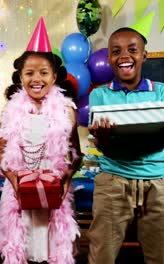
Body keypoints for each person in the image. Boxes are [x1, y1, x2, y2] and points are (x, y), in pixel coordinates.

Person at [0, 17, 82, 264]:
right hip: (19, 191)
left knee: (53, 248)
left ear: (54, 77)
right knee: (20, 249)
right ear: (20, 77)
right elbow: (1, 156)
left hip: (54, 191)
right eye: (29, 73)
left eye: (43, 73)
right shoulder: (10, 111)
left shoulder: (66, 111)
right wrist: (15, 181)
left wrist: (66, 178)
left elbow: (76, 154)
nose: (37, 79)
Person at [87, 25, 164, 264]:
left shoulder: (161, 92)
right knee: (102, 255)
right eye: (116, 51)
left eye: (132, 49)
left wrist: (125, 138)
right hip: (113, 181)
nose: (124, 56)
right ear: (109, 58)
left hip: (158, 182)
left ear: (144, 55)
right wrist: (107, 138)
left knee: (159, 254)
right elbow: (104, 146)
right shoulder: (99, 96)